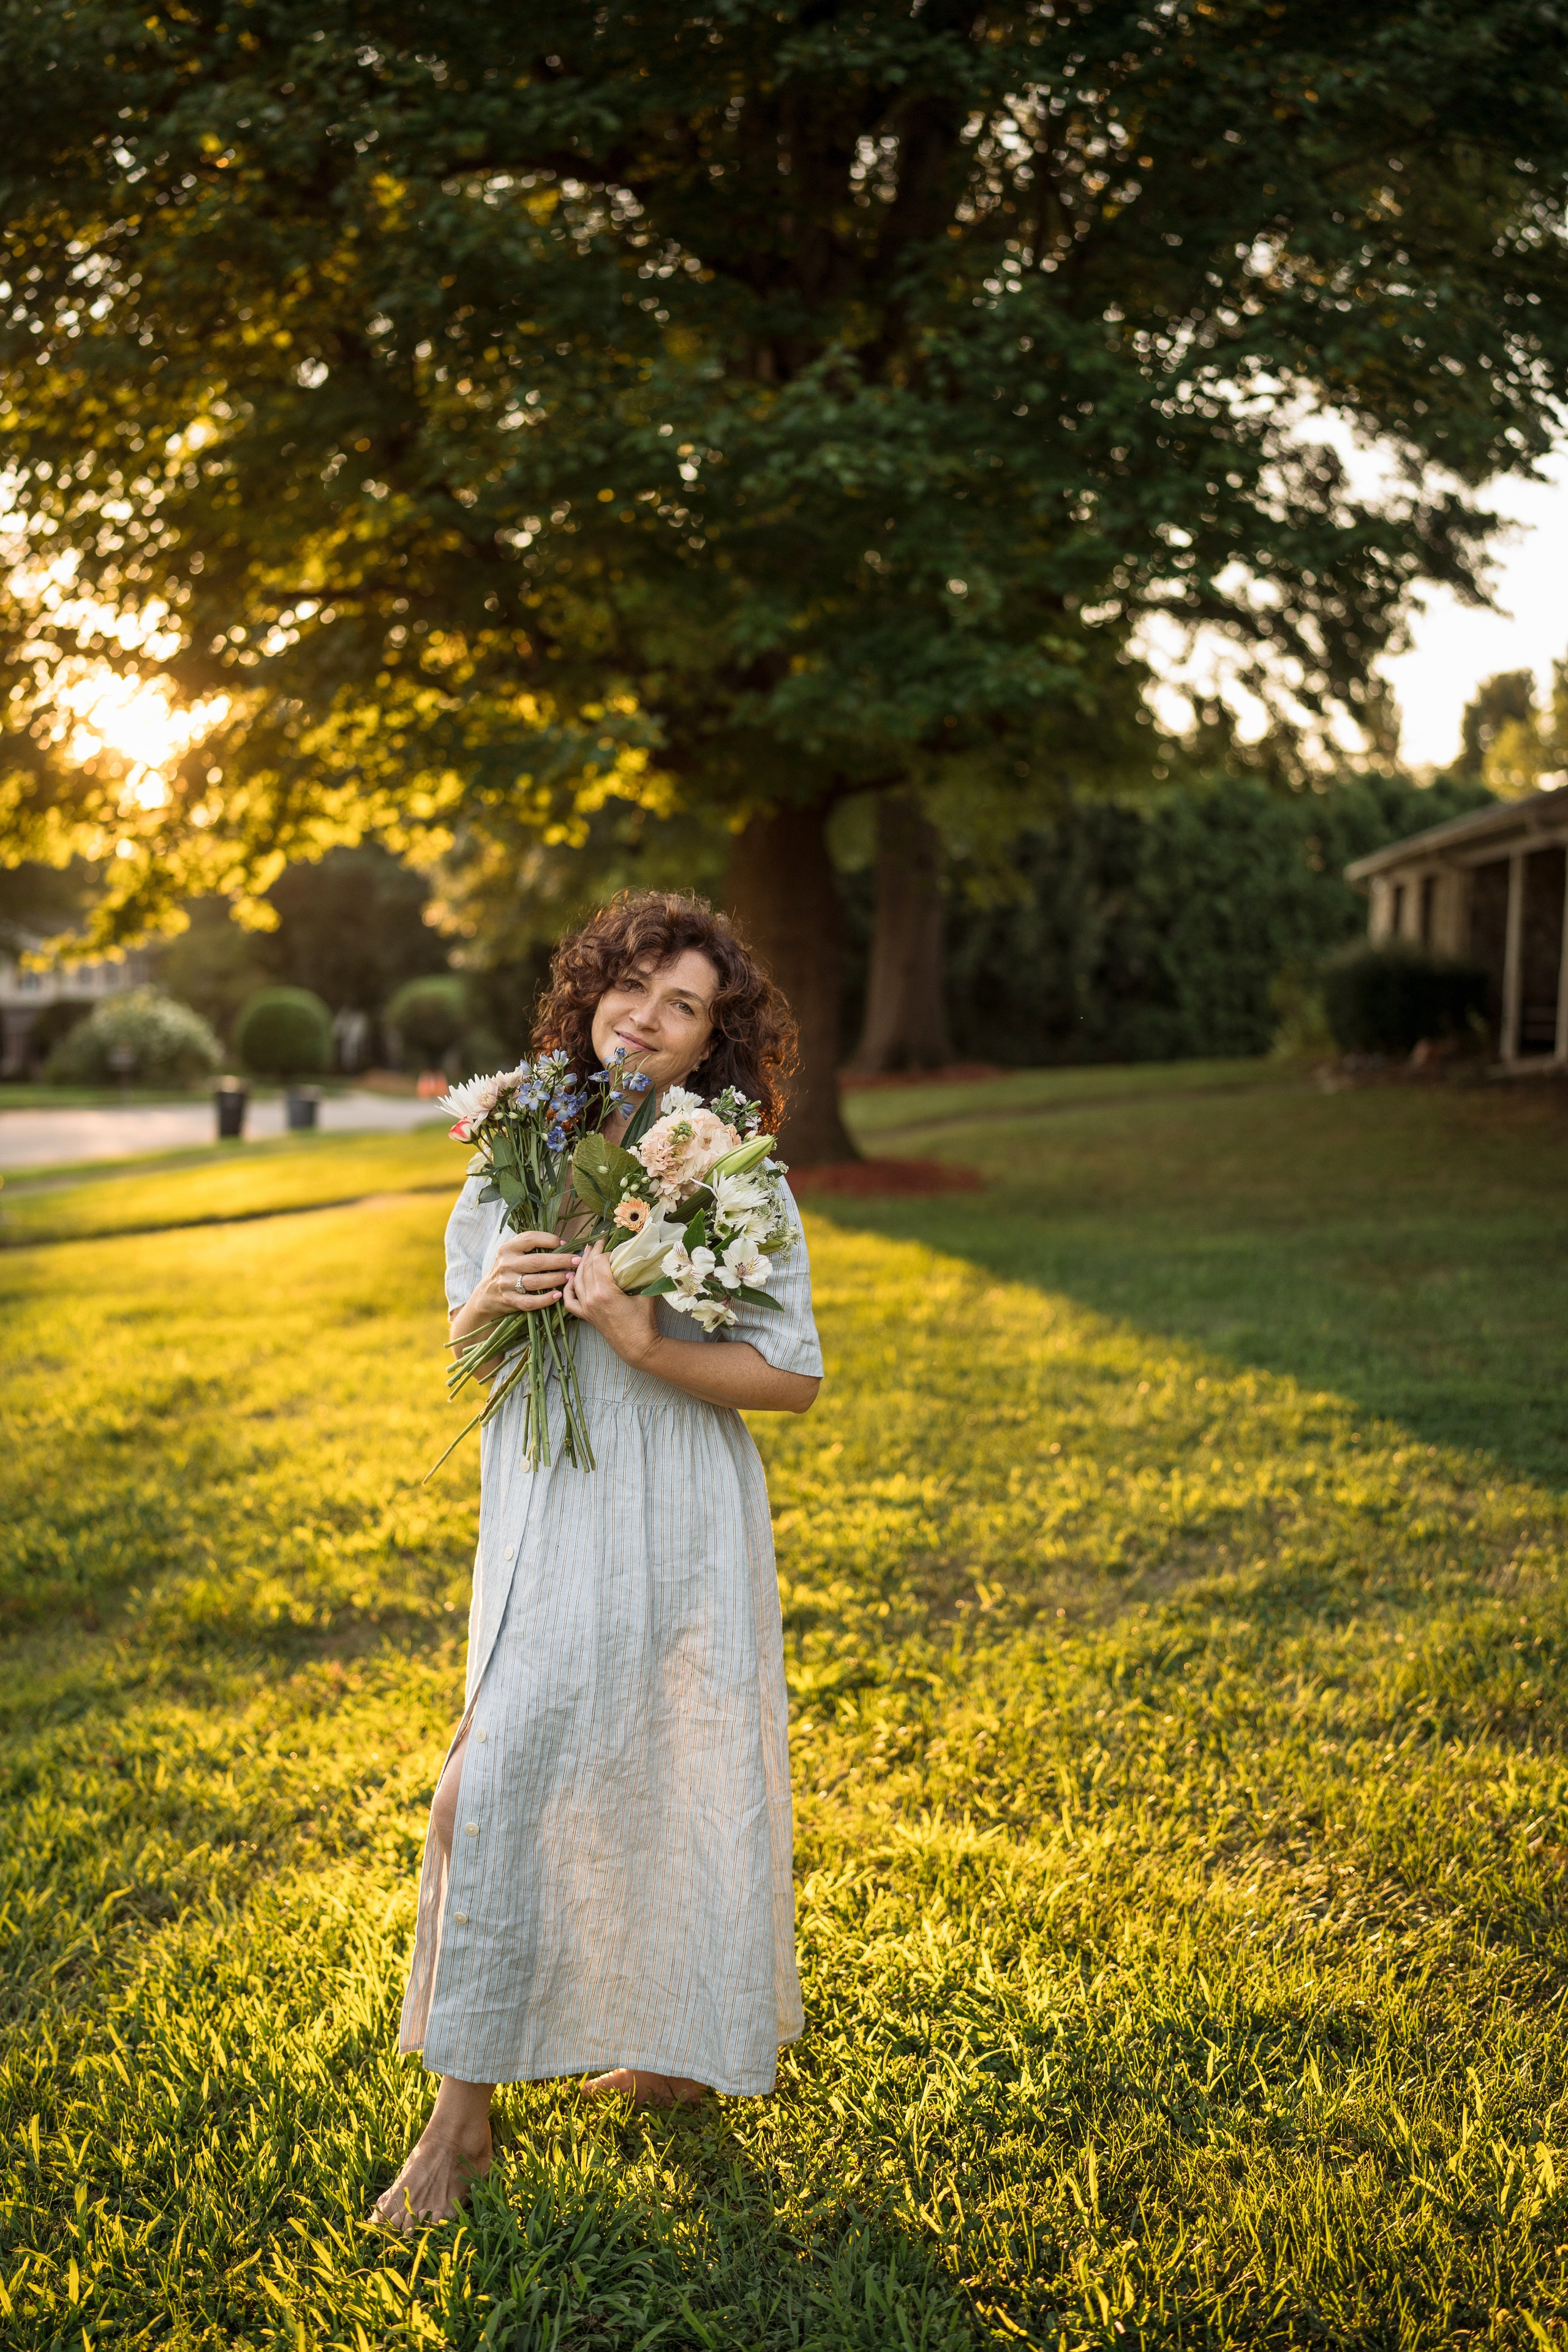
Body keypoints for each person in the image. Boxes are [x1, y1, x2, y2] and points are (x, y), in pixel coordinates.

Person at [373, 891, 822, 2231]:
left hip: (672, 1496)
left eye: (684, 1004)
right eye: (633, 985)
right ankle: (478, 2108)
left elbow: (789, 1377)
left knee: (670, 1749)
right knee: (491, 1783)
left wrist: (638, 1339)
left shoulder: (732, 1166)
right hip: (542, 1501)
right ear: (590, 994)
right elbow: (462, 1342)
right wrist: (486, 1298)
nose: (648, 1015)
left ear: (708, 1043)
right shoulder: (517, 1127)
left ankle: (616, 2071)